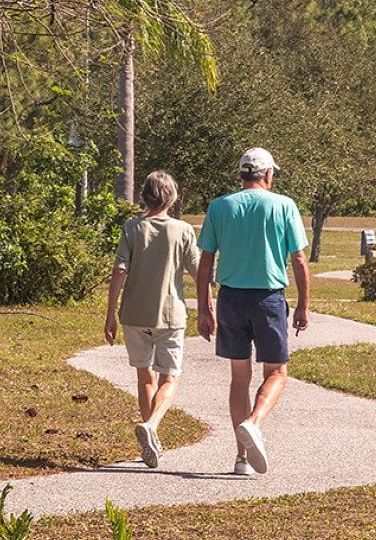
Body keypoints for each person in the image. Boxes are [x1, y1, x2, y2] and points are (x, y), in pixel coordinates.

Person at [196, 147, 309, 476]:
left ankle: (241, 458)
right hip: (268, 299)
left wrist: (204, 308)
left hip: (230, 298)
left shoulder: (220, 207)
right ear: (268, 175)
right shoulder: (284, 205)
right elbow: (299, 260)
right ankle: (254, 423)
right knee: (276, 372)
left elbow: (206, 262)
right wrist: (303, 304)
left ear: (242, 175)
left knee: (239, 378)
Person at [105, 171, 199, 469]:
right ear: (172, 198)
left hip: (134, 314)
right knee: (169, 377)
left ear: (144, 197)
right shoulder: (183, 230)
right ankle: (153, 426)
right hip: (170, 315)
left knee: (144, 376)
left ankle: (150, 441)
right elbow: (199, 271)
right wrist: (211, 303)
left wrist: (110, 313)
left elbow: (120, 270)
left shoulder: (131, 228)